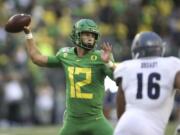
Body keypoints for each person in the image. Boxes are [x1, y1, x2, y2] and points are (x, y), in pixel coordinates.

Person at [23, 19, 116, 135]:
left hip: (95, 119)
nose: (90, 38)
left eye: (93, 35)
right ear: (77, 35)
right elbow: (37, 58)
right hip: (73, 121)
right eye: (87, 34)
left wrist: (108, 63)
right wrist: (28, 34)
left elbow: (118, 79)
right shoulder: (65, 55)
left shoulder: (101, 57)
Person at [113, 31, 180, 135]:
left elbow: (120, 101)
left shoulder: (127, 67)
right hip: (150, 129)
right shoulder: (171, 64)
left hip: (125, 124)